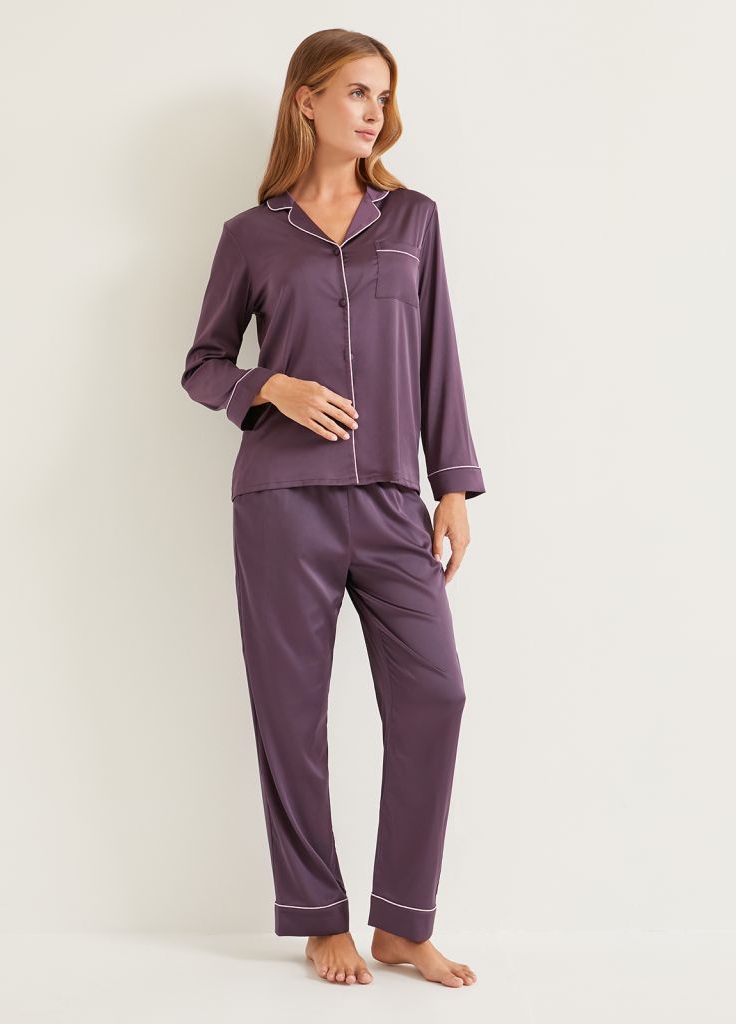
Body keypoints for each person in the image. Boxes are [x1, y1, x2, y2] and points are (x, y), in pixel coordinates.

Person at [181, 29, 483, 988]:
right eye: (356, 91)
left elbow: (437, 356)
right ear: (306, 100)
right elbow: (203, 365)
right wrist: (271, 386)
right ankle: (320, 920)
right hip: (282, 503)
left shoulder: (413, 220)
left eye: (382, 96)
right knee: (291, 713)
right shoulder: (251, 235)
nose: (373, 111)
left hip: (393, 501)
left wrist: (453, 485)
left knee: (436, 695)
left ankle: (402, 923)